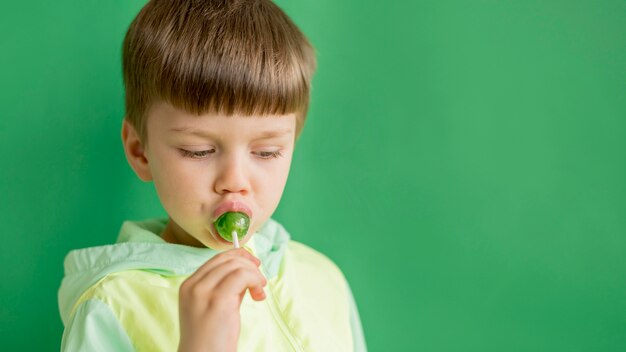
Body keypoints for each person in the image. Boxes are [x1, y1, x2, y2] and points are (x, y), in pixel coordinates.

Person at [57, 0, 367, 351]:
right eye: (198, 151)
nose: (235, 180)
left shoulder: (323, 280)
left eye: (266, 152)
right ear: (140, 151)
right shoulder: (111, 306)